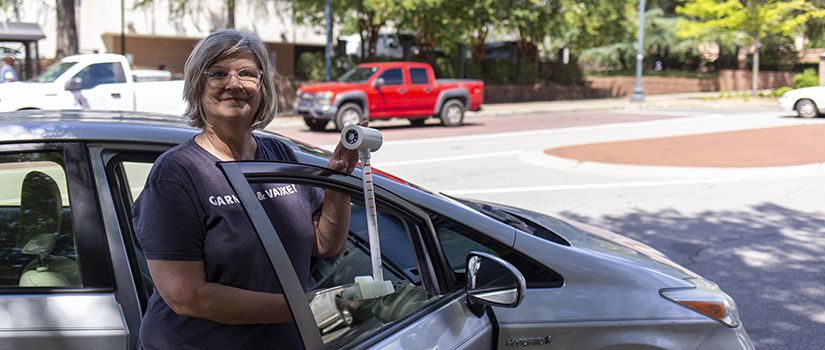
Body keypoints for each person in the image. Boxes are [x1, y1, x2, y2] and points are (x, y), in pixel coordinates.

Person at [132, 29, 362, 349]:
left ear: (262, 87)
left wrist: (337, 184)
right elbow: (186, 296)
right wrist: (306, 308)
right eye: (218, 73)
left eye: (247, 74)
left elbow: (326, 245)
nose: (234, 84)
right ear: (198, 84)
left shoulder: (279, 156)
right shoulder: (176, 174)